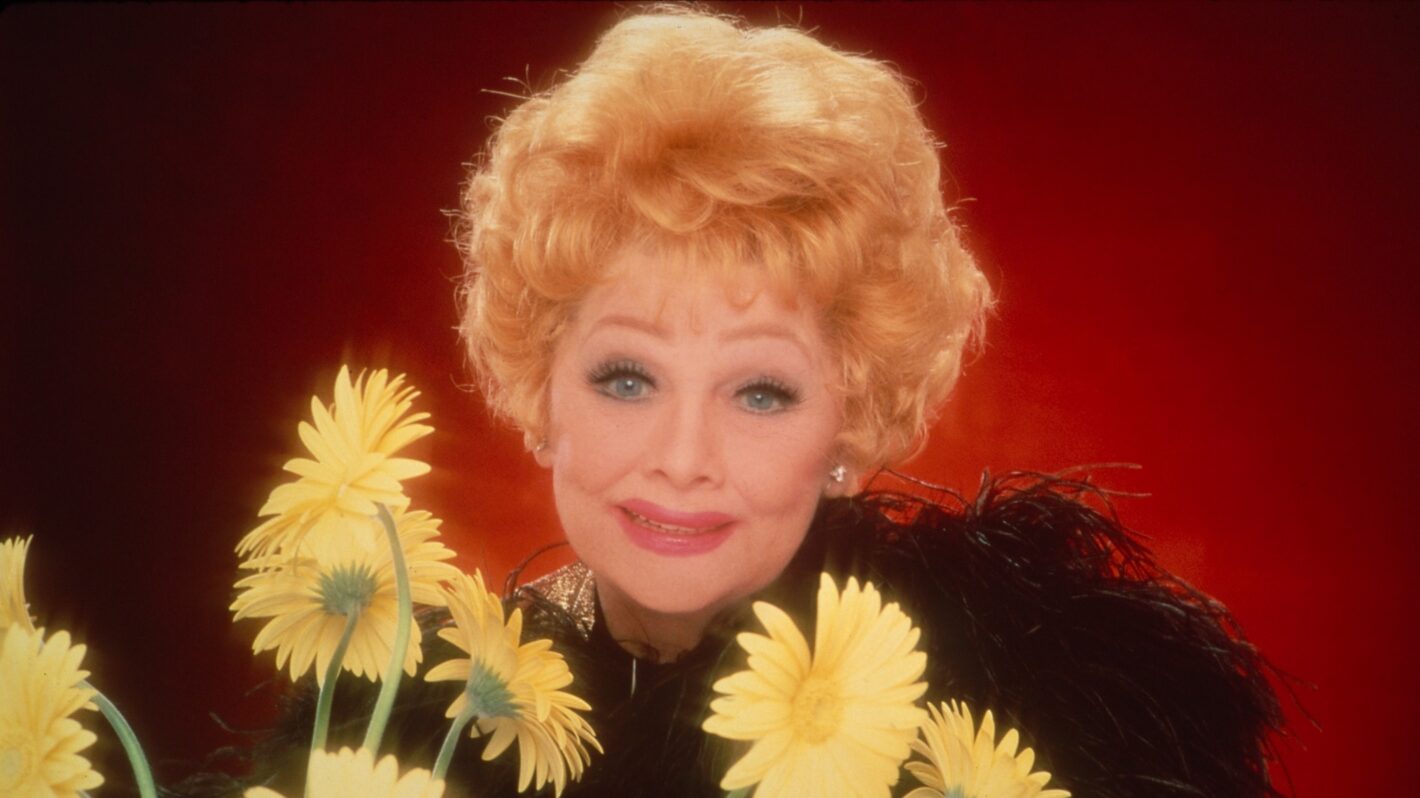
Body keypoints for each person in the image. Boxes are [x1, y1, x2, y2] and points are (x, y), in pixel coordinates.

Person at [208, 7, 1284, 797]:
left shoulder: (1020, 712)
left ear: (845, 423)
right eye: (628, 379)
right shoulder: (403, 731)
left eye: (760, 393)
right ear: (541, 393)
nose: (683, 456)